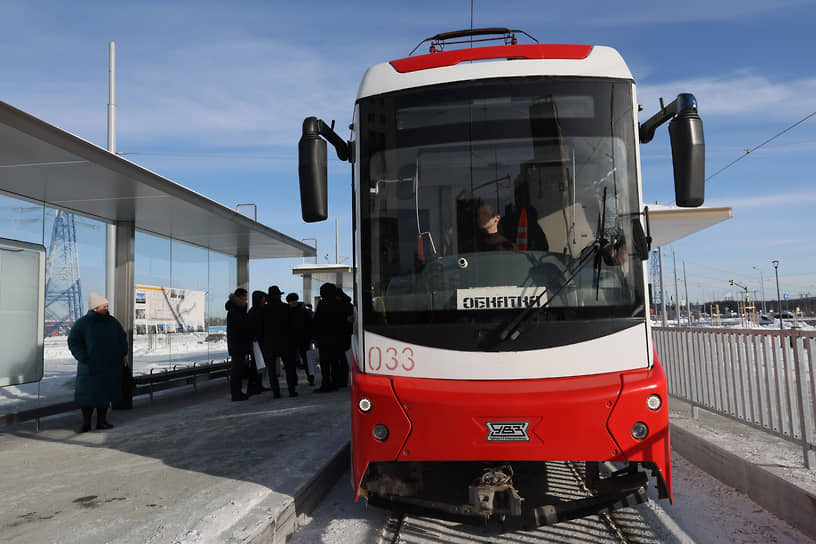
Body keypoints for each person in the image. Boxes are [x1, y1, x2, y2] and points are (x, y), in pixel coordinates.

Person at [67, 292, 128, 432]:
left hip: (109, 366)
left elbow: (122, 337)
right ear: (94, 308)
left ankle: (102, 421)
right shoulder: (82, 323)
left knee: (105, 395)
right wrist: (83, 357)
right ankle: (86, 423)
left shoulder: (112, 322)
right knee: (87, 396)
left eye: (107, 306)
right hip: (90, 367)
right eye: (104, 306)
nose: (106, 308)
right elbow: (73, 342)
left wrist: (121, 352)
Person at [312, 283, 346, 392]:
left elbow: (316, 321)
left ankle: (326, 383)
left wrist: (315, 336)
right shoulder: (339, 303)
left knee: (325, 363)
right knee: (335, 361)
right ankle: (335, 383)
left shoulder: (322, 303)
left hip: (324, 338)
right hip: (337, 338)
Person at [264, 285, 297, 397]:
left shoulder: (265, 309)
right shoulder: (286, 308)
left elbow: (262, 327)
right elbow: (292, 325)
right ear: (278, 295)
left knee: (272, 370)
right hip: (285, 342)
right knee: (289, 367)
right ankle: (291, 390)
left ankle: (276, 392)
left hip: (270, 343)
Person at [225, 288, 252, 401]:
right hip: (238, 345)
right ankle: (236, 394)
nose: (246, 298)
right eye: (245, 296)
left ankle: (238, 393)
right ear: (240, 297)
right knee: (236, 371)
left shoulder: (237, 310)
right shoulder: (235, 311)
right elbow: (240, 329)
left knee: (239, 371)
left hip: (238, 345)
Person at [285, 292, 315, 385]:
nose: (293, 303)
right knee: (305, 360)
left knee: (301, 361)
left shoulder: (289, 311)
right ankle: (307, 379)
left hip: (298, 339)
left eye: (294, 301)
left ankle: (308, 379)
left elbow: (309, 324)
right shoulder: (303, 311)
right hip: (300, 339)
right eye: (292, 301)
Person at [246, 290, 270, 395]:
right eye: (263, 299)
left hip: (259, 342)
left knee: (259, 365)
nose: (265, 301)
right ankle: (254, 386)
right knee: (256, 365)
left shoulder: (256, 311)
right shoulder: (255, 312)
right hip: (257, 343)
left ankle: (258, 385)